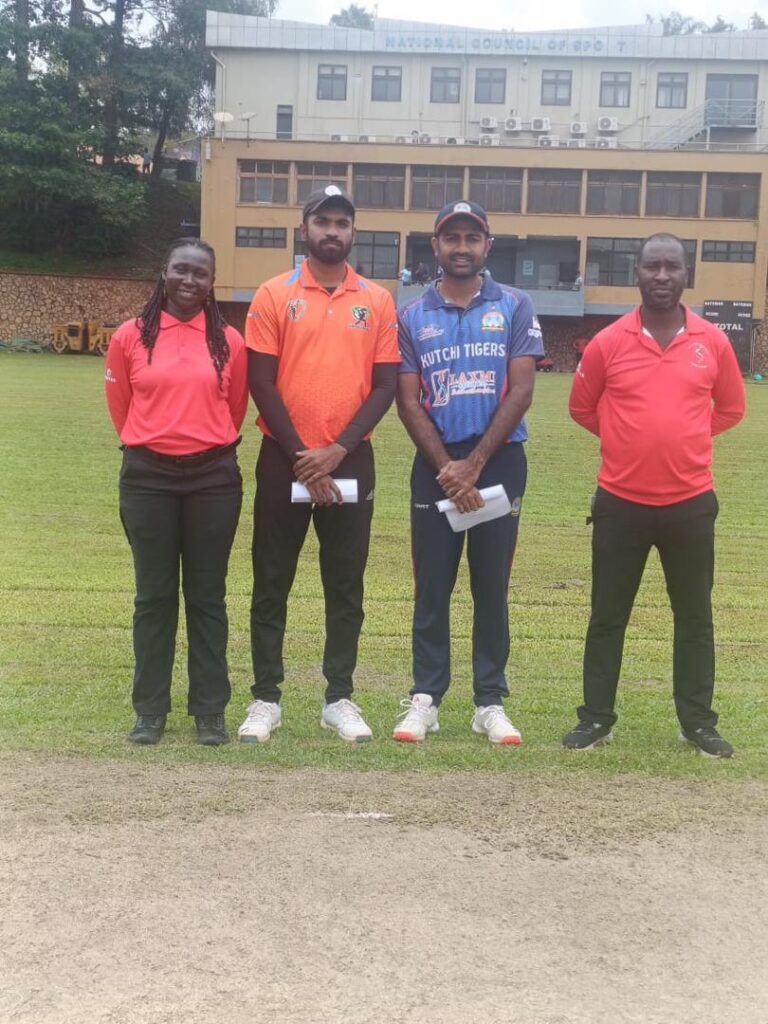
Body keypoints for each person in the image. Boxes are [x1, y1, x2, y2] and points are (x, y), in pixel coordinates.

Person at [564, 233, 745, 757]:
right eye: (652, 267)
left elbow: (731, 409)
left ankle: (698, 723)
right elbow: (581, 407)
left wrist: (687, 437)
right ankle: (596, 718)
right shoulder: (608, 342)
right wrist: (627, 439)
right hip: (620, 502)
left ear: (687, 274)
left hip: (691, 503)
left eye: (671, 266)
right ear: (637, 273)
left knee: (695, 617)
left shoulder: (712, 342)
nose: (661, 276)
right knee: (607, 616)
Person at [239, 185, 400, 744]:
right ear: (304, 228)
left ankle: (339, 698)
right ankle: (266, 698)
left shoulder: (376, 299)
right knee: (272, 580)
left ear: (353, 232)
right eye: (323, 221)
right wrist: (303, 457)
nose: (333, 231)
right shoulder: (273, 293)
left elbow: (385, 387)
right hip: (283, 459)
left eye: (342, 223)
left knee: (345, 582)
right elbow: (261, 382)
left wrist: (336, 451)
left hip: (350, 460)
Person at [395, 200, 544, 745]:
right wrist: (449, 469)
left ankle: (489, 701)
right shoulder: (412, 314)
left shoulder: (515, 305)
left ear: (488, 246)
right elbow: (407, 401)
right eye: (452, 238)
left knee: (491, 584)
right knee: (432, 585)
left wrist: (475, 465)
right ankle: (426, 698)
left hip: (498, 459)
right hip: (435, 463)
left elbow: (521, 390)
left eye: (472, 238)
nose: (462, 247)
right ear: (435, 246)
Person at [105, 239, 248, 746]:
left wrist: (198, 442)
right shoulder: (130, 336)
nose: (190, 280)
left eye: (200, 273)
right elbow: (121, 405)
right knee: (154, 596)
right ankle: (150, 710)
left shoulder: (229, 340)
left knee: (207, 597)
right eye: (181, 270)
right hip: (147, 478)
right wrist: (155, 442)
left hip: (213, 478)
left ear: (212, 282)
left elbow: (233, 408)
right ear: (164, 273)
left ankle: (210, 710)